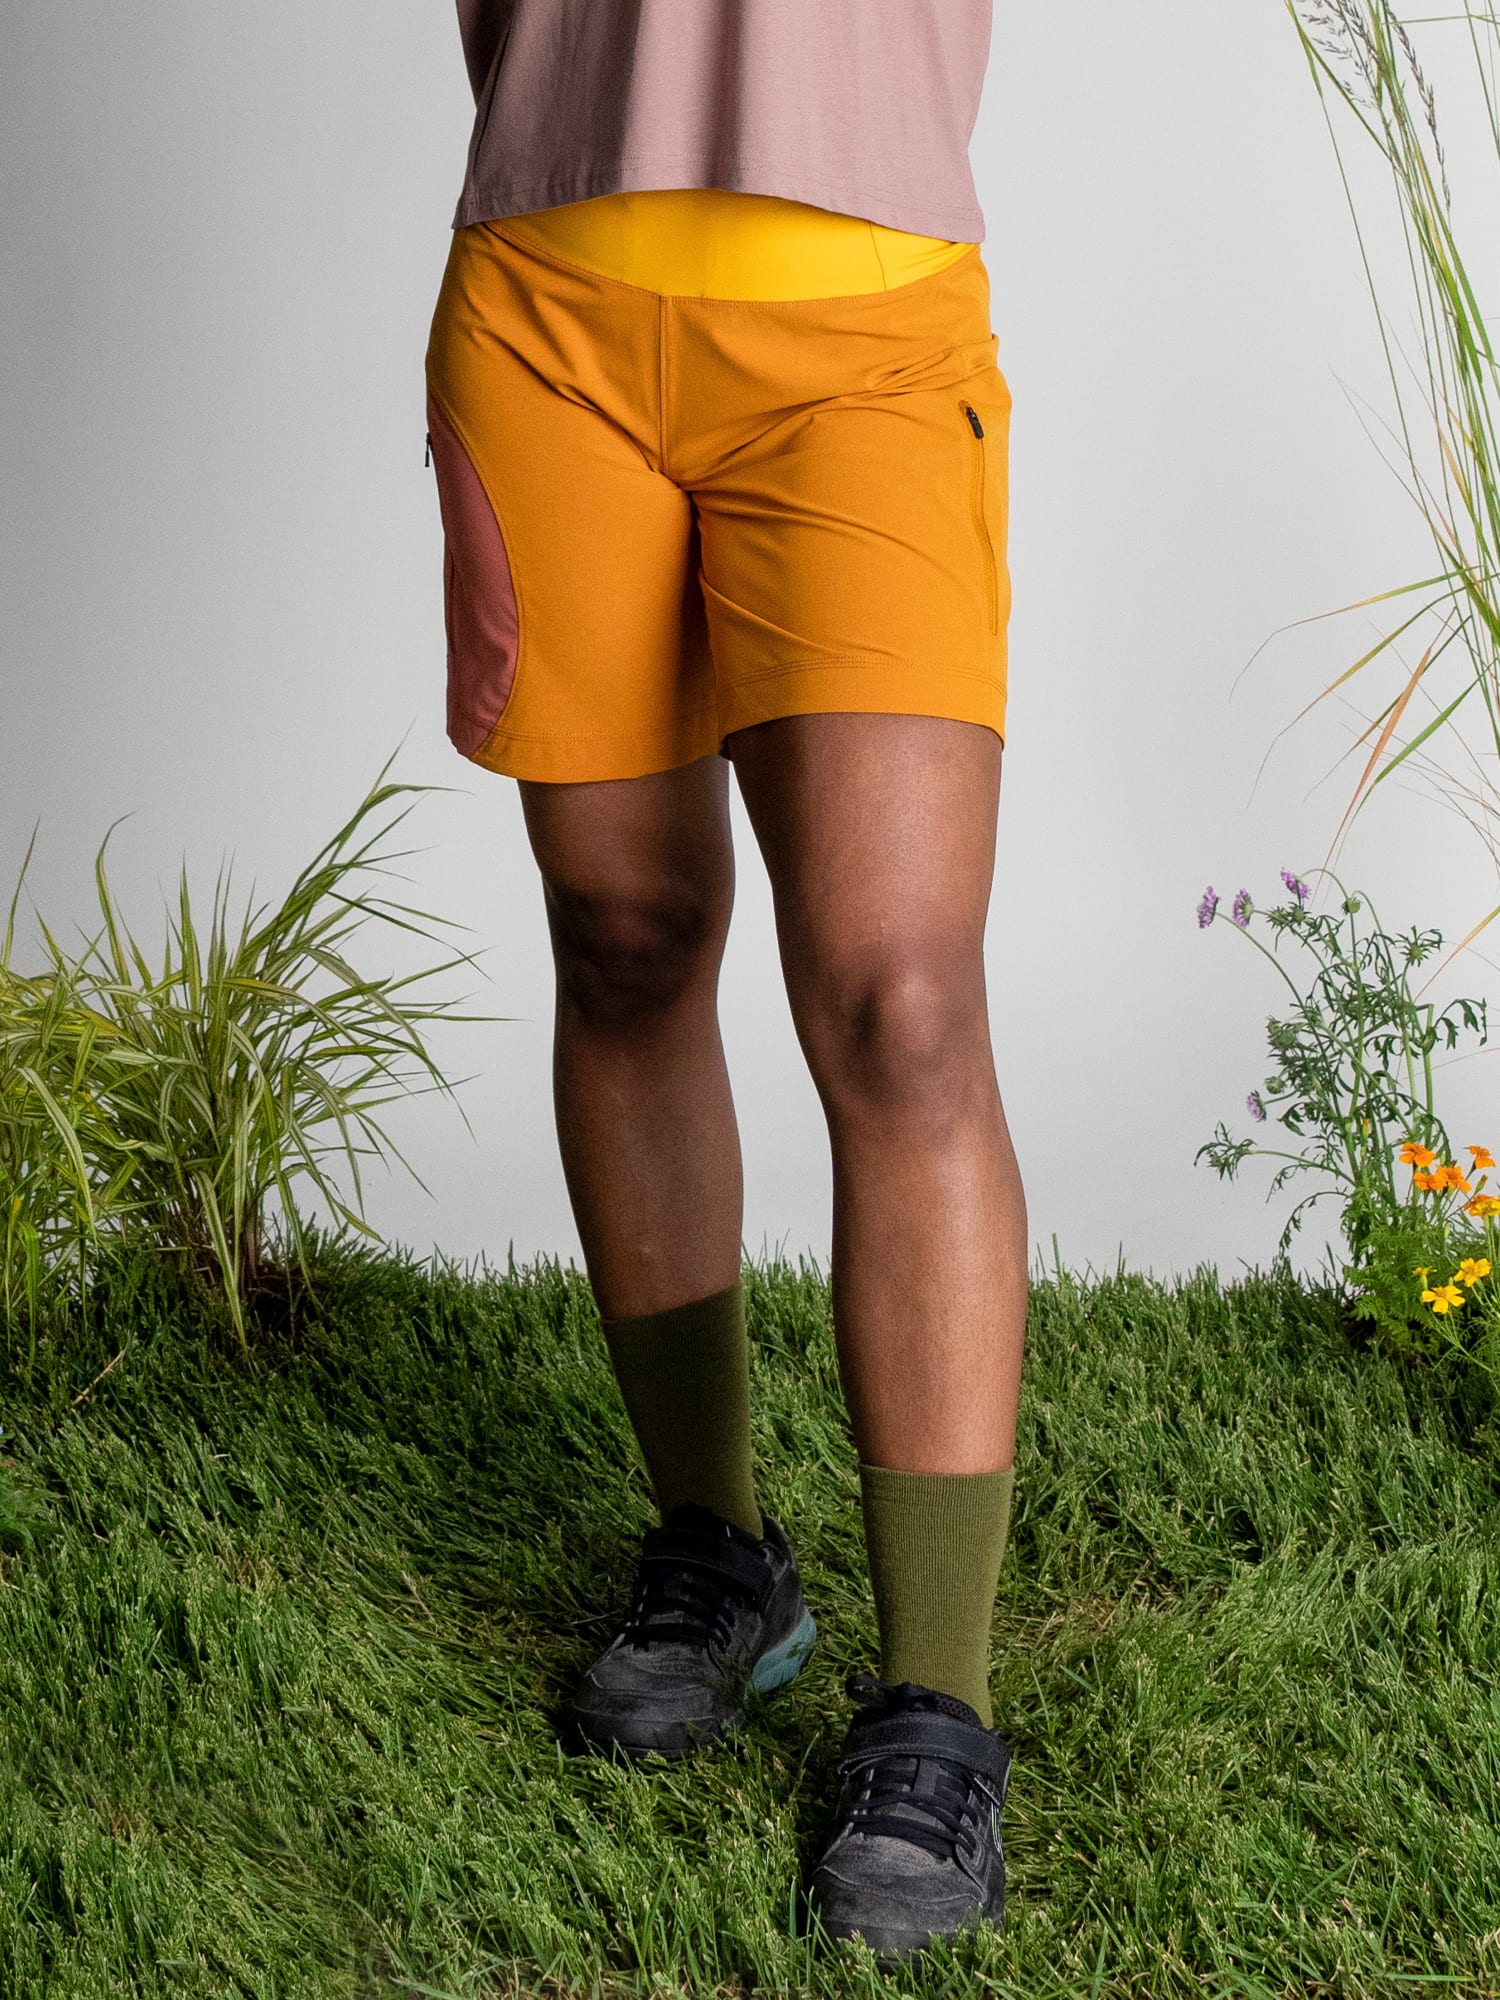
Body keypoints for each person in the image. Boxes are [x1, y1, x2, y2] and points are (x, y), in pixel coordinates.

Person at [426, 0, 1028, 1961]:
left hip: (867, 328)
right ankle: (718, 1549)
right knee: (624, 932)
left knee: (900, 997)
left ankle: (938, 1701)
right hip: (550, 306)